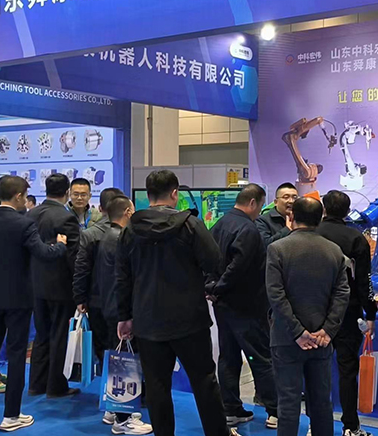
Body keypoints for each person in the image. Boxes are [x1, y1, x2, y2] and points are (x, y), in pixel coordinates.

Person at [115, 170, 238, 436]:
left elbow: (122, 277)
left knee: (157, 386)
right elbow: (214, 262)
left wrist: (124, 316)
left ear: (148, 195)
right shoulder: (191, 225)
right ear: (175, 193)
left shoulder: (130, 230)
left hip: (147, 320)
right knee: (204, 382)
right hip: (189, 319)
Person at [0, 176, 67, 432]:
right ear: (18, 196)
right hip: (19, 300)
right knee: (16, 355)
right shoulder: (24, 223)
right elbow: (43, 253)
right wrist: (61, 245)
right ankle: (11, 416)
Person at [266, 197, 350, 436]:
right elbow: (342, 293)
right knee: (322, 402)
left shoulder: (277, 249)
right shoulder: (334, 250)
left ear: (291, 217)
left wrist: (297, 331)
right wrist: (328, 330)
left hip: (286, 338)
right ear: (320, 218)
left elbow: (275, 294)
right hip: (321, 340)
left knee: (288, 403)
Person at [206, 184, 278, 429]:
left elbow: (206, 259)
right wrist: (219, 287)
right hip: (246, 305)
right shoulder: (248, 229)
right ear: (253, 203)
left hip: (223, 305)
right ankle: (275, 411)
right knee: (260, 357)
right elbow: (239, 266)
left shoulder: (219, 224)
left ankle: (231, 408)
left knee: (228, 357)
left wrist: (211, 287)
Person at [89, 195, 152, 435]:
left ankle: (114, 410)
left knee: (118, 360)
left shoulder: (107, 236)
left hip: (110, 307)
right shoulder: (121, 239)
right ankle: (123, 419)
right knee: (124, 363)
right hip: (120, 310)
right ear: (127, 212)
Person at [316, 191, 378, 436]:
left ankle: (315, 425)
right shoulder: (356, 239)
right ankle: (350, 426)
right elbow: (364, 282)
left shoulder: (311, 235)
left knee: (315, 371)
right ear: (348, 210)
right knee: (347, 370)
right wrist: (370, 313)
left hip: (314, 311)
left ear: (324, 209)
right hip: (347, 312)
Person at [27, 173, 82, 398]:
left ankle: (36, 384)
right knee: (59, 335)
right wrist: (80, 288)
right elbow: (73, 257)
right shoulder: (66, 218)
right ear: (67, 192)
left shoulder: (31, 214)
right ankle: (56, 386)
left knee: (41, 334)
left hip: (35, 285)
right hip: (60, 286)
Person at [73, 187, 125, 368]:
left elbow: (82, 269)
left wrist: (80, 297)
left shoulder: (89, 234)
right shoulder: (129, 233)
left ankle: (105, 380)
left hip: (96, 300)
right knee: (124, 347)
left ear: (101, 208)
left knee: (102, 346)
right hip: (122, 301)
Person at [256, 183, 298, 247]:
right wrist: (287, 230)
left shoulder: (301, 219)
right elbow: (265, 245)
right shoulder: (262, 220)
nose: (291, 201)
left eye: (294, 198)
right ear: (276, 202)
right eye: (286, 197)